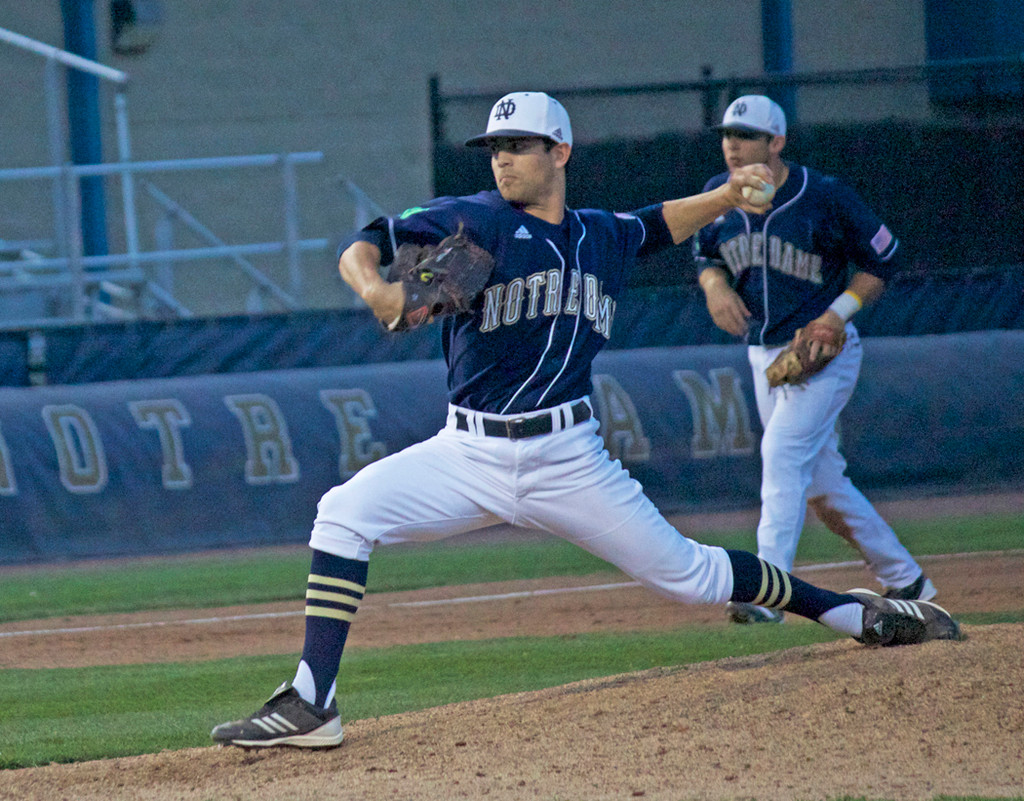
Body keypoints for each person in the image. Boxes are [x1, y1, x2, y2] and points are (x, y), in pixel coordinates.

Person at [211, 91, 959, 749]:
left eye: (519, 145)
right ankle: (313, 701)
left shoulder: (600, 235)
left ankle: (854, 615)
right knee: (342, 514)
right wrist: (376, 287)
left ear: (560, 152)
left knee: (693, 577)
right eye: (495, 146)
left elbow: (657, 223)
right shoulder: (476, 222)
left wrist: (729, 194)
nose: (503, 159)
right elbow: (368, 240)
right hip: (466, 453)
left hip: (567, 458)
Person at [693, 95, 936, 625]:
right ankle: (907, 578)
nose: (733, 144)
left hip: (825, 353)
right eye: (728, 134)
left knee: (781, 453)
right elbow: (707, 254)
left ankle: (768, 591)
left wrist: (836, 314)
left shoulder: (823, 195)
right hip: (763, 354)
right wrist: (714, 286)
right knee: (825, 489)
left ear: (776, 142)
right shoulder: (718, 193)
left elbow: (883, 259)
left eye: (747, 135)